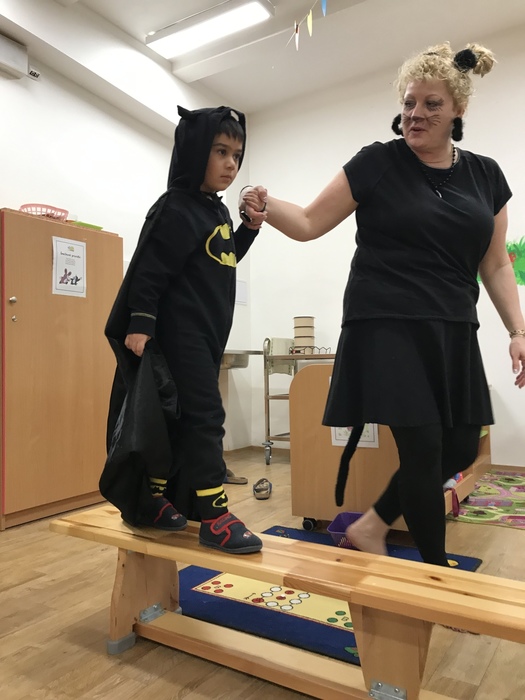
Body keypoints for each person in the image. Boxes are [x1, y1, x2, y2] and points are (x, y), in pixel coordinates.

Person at [240, 42, 525, 566]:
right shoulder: (377, 162)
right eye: (409, 102)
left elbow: (496, 265)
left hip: (453, 326)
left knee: (461, 446)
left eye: (432, 104)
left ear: (458, 109)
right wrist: (264, 204)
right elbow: (308, 222)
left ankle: (372, 525)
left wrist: (517, 331)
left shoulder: (486, 176)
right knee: (422, 449)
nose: (416, 114)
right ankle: (435, 575)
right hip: (387, 323)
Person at [103, 105, 266, 555]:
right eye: (220, 151)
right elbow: (151, 267)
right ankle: (214, 515)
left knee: (175, 421)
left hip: (206, 335)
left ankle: (154, 500)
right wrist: (140, 322)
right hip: (179, 334)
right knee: (206, 416)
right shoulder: (177, 207)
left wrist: (249, 227)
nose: (231, 164)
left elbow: (223, 254)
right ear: (195, 151)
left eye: (237, 155)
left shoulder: (214, 212)